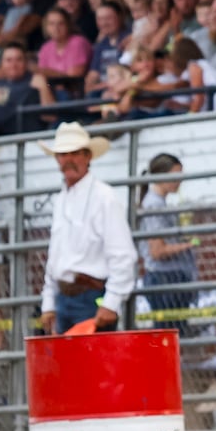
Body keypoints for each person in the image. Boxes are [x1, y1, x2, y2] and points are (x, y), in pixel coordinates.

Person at [37, 122, 138, 335]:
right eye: (63, 154)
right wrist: (49, 302)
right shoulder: (62, 198)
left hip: (92, 295)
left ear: (87, 156)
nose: (68, 160)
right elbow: (56, 254)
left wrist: (111, 302)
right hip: (66, 296)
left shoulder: (104, 197)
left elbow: (123, 254)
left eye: (74, 153)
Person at [138, 153, 199, 332]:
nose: (179, 181)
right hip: (164, 278)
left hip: (167, 277)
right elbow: (157, 251)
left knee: (171, 334)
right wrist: (188, 245)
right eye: (175, 176)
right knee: (168, 334)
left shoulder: (158, 203)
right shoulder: (154, 205)